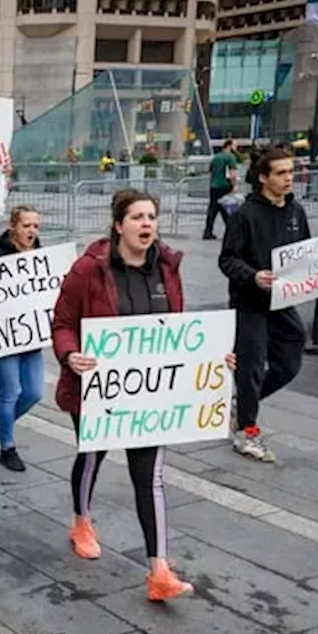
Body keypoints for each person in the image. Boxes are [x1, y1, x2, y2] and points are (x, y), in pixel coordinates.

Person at [53, 189, 232, 600]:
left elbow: (179, 331)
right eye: (137, 217)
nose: (147, 224)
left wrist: (211, 355)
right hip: (96, 389)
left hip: (148, 399)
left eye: (151, 216)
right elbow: (63, 322)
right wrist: (70, 354)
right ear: (118, 225)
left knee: (149, 477)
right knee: (92, 456)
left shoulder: (167, 268)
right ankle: (82, 520)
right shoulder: (89, 270)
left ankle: (158, 570)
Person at [219, 147, 309, 463]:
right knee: (252, 365)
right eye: (281, 173)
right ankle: (247, 431)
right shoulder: (245, 215)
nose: (289, 178)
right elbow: (227, 259)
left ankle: (240, 405)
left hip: (282, 300)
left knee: (290, 359)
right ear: (263, 178)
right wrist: (253, 276)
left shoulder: (296, 212)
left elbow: (306, 254)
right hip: (249, 302)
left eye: (291, 172)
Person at [0, 206, 45, 472]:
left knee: (34, 392)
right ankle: (7, 447)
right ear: (12, 227)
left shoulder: (41, 257)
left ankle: (1, 423)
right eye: (26, 225)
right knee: (10, 392)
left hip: (31, 338)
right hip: (4, 338)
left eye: (35, 226)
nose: (32, 231)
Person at [203, 139, 239, 240]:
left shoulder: (215, 157)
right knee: (228, 209)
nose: (236, 148)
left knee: (213, 209)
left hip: (214, 186)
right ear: (229, 146)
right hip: (225, 186)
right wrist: (234, 185)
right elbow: (232, 173)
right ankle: (232, 232)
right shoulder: (230, 157)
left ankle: (208, 231)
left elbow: (211, 172)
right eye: (235, 145)